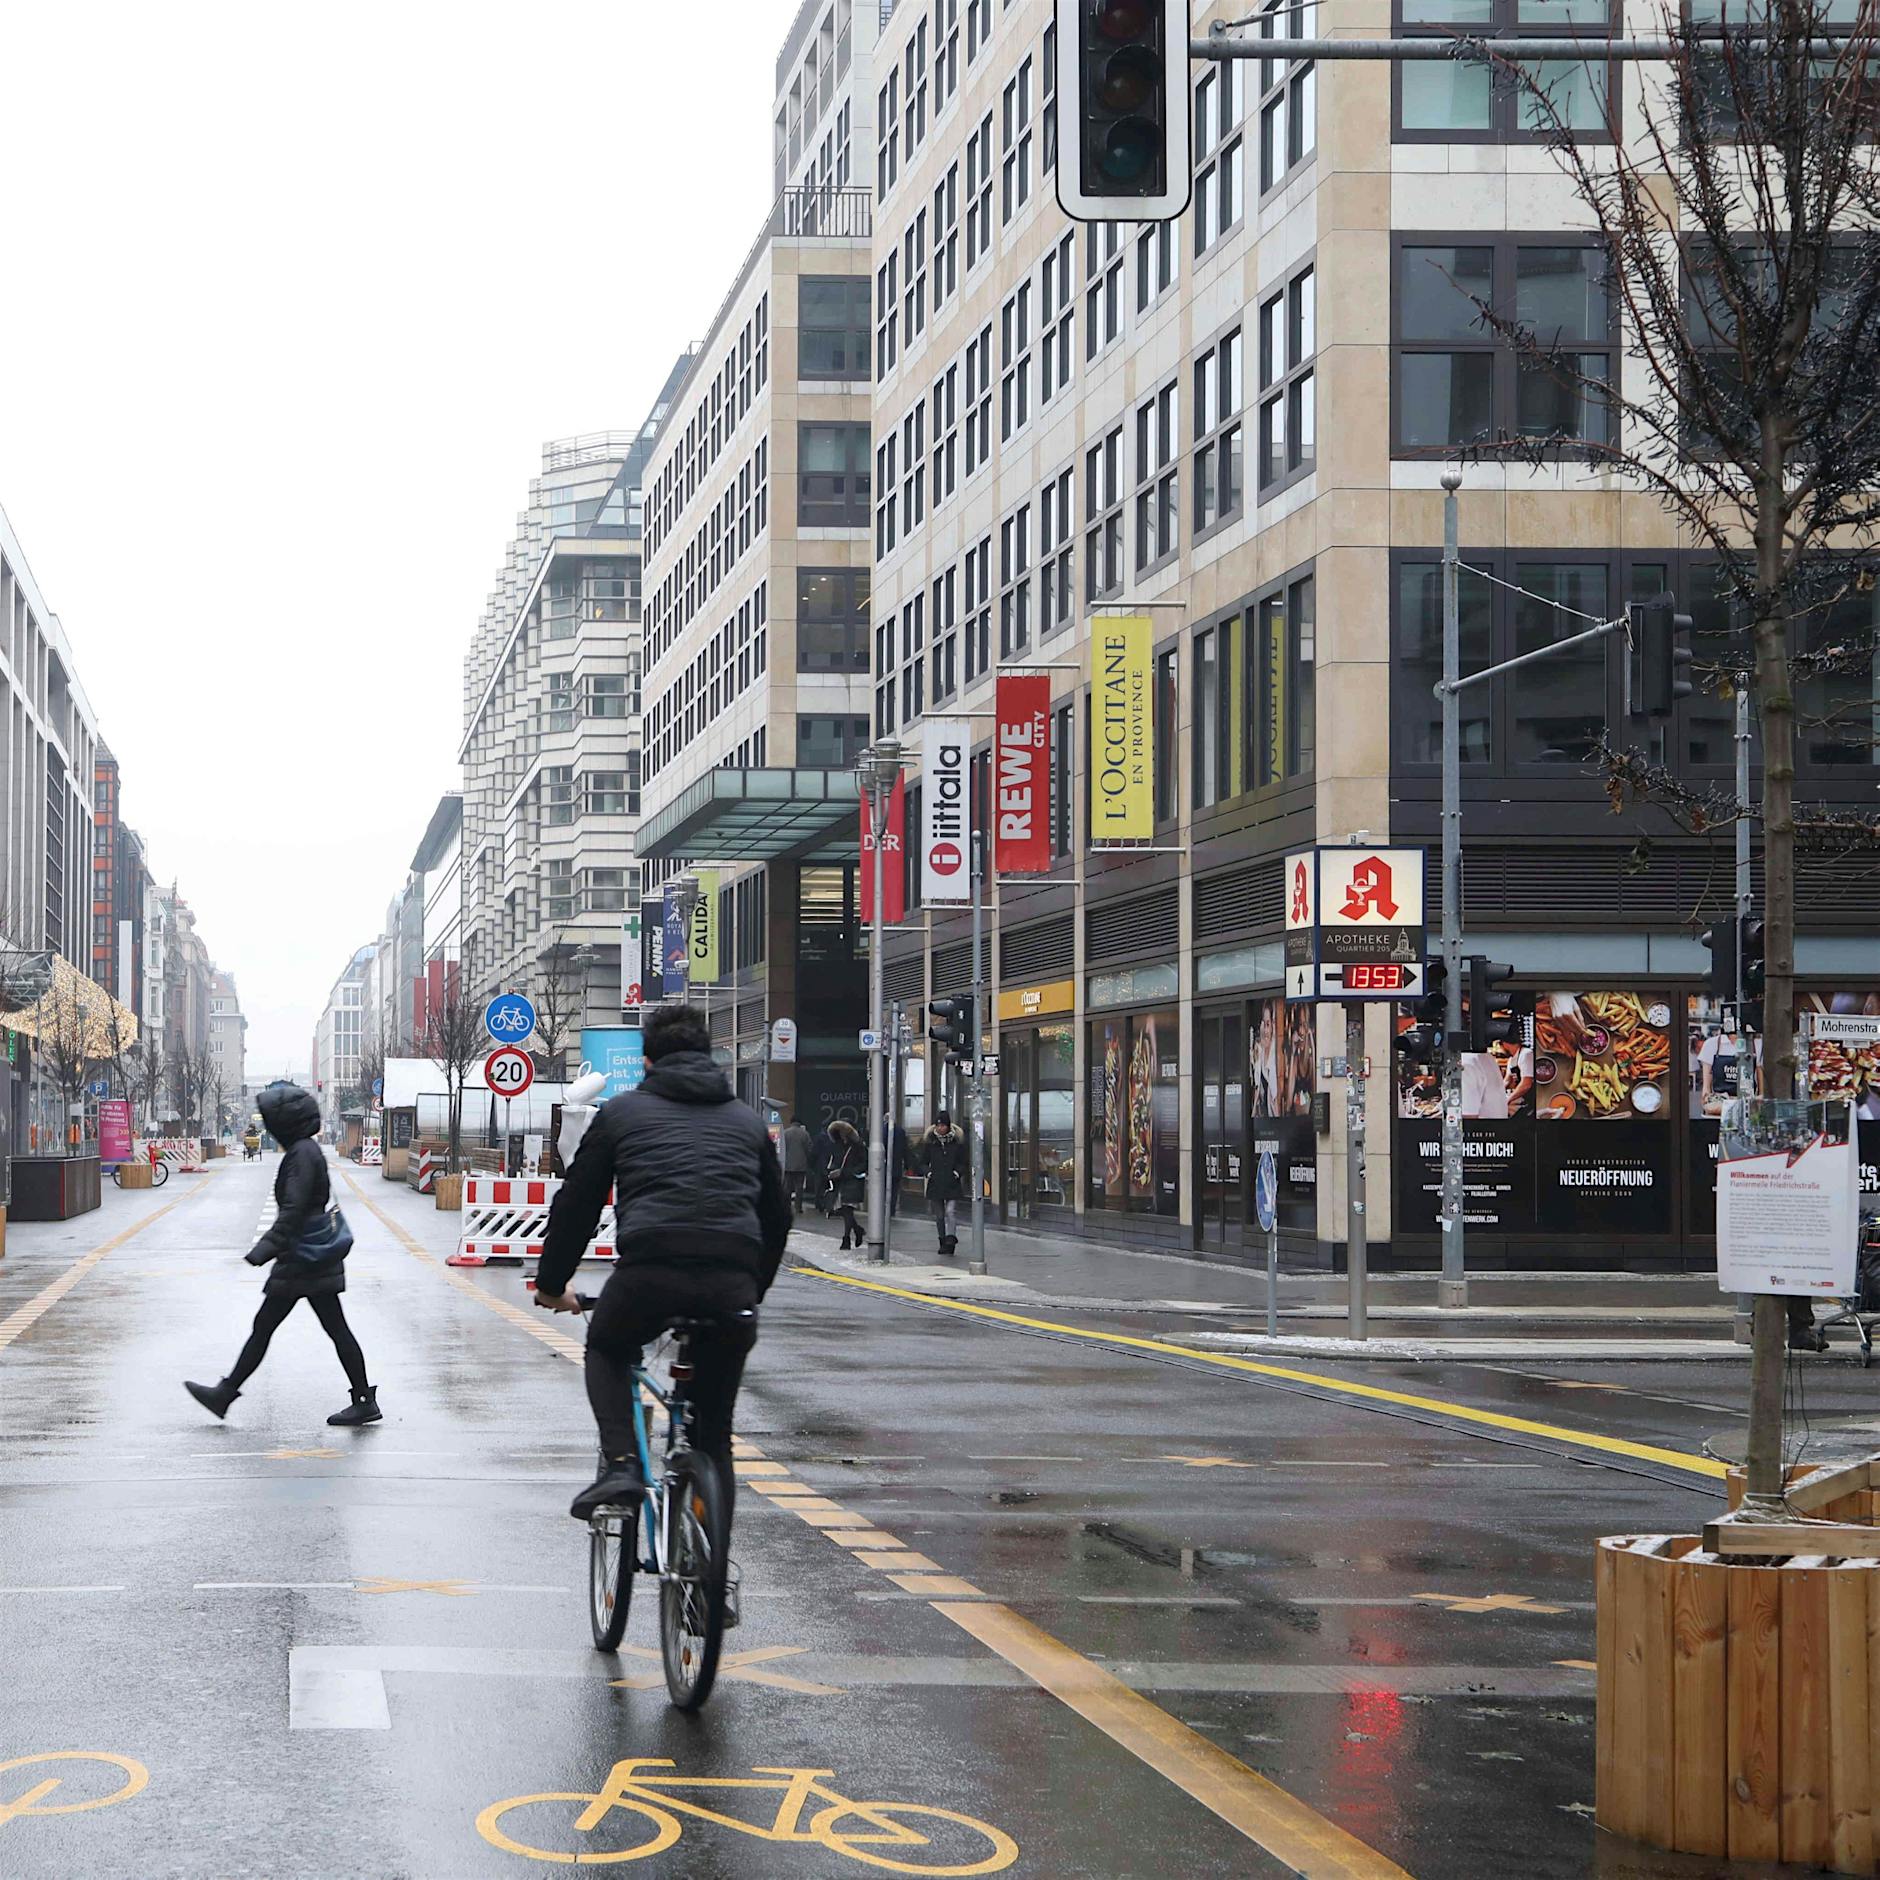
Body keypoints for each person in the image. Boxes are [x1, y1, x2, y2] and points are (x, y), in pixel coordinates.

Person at [534, 1004, 790, 1521]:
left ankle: (623, 1465)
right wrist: (750, 1290)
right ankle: (710, 1565)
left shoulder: (621, 1114)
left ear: (647, 1060)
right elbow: (777, 1217)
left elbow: (577, 1204)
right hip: (731, 1286)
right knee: (714, 1437)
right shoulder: (747, 1122)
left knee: (607, 1347)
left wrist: (552, 1284)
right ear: (709, 1056)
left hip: (649, 1272)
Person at [184, 1081, 380, 1426]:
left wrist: (264, 1249)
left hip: (301, 1258)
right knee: (322, 1328)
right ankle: (362, 1399)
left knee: (272, 1327)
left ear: (285, 1123)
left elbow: (294, 1209)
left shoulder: (301, 1155)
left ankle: (225, 1394)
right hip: (307, 1257)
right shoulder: (305, 1151)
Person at [921, 1111, 968, 1256]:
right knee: (940, 1216)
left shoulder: (957, 1143)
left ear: (948, 1126)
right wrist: (928, 1173)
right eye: (938, 1125)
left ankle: (951, 1239)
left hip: (952, 1183)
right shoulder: (931, 1143)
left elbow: (963, 1162)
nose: (940, 1128)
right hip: (936, 1183)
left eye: (943, 1125)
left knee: (950, 1211)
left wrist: (957, 1173)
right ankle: (942, 1240)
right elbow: (923, 1162)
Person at [825, 1118, 866, 1249]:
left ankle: (846, 1239)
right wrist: (832, 1171)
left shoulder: (858, 1146)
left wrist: (845, 1172)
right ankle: (858, 1230)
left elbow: (864, 1164)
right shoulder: (837, 1145)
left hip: (853, 1181)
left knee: (848, 1209)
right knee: (843, 1210)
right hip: (840, 1183)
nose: (842, 1134)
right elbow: (833, 1161)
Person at [781, 1114, 813, 1214]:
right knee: (799, 1187)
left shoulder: (785, 1133)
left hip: (788, 1164)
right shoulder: (805, 1134)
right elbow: (809, 1149)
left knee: (787, 1187)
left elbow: (781, 1148)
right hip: (801, 1165)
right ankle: (798, 1207)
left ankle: (786, 1207)